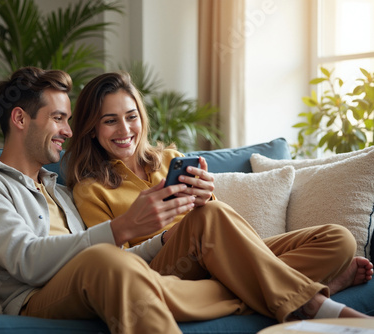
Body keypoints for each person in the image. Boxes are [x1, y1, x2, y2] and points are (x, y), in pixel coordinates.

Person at [0, 67, 371, 334]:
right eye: (58, 118)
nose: (68, 130)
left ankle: (293, 296)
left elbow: (121, 254)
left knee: (209, 219)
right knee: (110, 261)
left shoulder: (52, 187)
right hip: (38, 298)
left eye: (67, 119)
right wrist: (123, 228)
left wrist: (168, 239)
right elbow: (27, 260)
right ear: (20, 119)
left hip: (126, 274)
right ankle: (307, 299)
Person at [64, 71, 373, 321]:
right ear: (92, 129)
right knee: (209, 218)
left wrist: (207, 198)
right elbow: (111, 262)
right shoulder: (90, 189)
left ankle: (262, 290)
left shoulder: (172, 159)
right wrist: (168, 236)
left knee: (338, 240)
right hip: (163, 269)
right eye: (110, 120)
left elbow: (215, 222)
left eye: (131, 116)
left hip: (217, 257)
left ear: (142, 118)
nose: (125, 128)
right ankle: (313, 301)